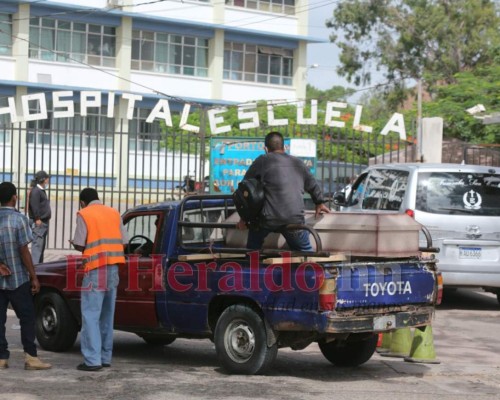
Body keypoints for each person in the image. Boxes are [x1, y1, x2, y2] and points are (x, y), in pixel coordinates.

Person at [237, 131, 330, 251]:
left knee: (253, 247)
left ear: (266, 149)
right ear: (284, 147)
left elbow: (246, 189)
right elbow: (312, 185)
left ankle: (252, 263)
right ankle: (310, 265)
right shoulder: (298, 162)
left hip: (268, 219)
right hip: (294, 218)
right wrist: (319, 202)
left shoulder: (262, 160)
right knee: (306, 252)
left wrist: (243, 218)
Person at [70, 188, 127, 372]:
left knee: (90, 316)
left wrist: (74, 243)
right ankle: (105, 357)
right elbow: (124, 242)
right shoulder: (114, 213)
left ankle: (92, 360)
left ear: (82, 202)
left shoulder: (84, 214)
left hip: (95, 268)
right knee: (107, 316)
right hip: (113, 268)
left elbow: (80, 243)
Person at [0, 182, 52, 370]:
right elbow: (24, 251)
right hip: (18, 278)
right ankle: (30, 356)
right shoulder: (19, 220)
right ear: (14, 197)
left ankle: (1, 357)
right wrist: (34, 276)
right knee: (27, 317)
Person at [28, 170, 51, 264]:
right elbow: (34, 206)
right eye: (47, 179)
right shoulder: (36, 191)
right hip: (39, 222)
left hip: (43, 222)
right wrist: (37, 218)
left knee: (40, 248)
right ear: (43, 180)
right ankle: (35, 271)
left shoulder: (40, 190)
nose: (48, 181)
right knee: (37, 249)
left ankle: (39, 270)